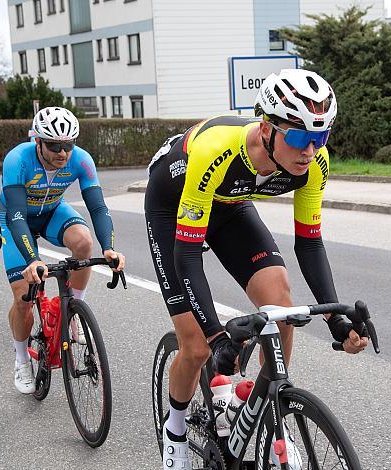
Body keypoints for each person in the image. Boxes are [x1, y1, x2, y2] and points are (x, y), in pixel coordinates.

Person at [144, 69, 369, 469]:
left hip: (230, 206)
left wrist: (335, 316)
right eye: (300, 136)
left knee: (282, 305)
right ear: (267, 129)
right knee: (195, 346)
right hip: (172, 205)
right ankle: (175, 430)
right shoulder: (218, 149)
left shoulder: (314, 164)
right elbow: (187, 255)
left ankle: (265, 414)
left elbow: (310, 243)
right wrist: (217, 337)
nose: (310, 150)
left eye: (321, 137)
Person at [0, 106, 125, 394]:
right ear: (38, 142)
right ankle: (21, 360)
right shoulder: (18, 159)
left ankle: (72, 314)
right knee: (23, 298)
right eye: (54, 145)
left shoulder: (81, 160)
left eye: (68, 145)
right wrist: (32, 259)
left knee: (84, 242)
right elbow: (17, 214)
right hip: (16, 220)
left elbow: (97, 207)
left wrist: (110, 249)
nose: (63, 153)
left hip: (52, 212)